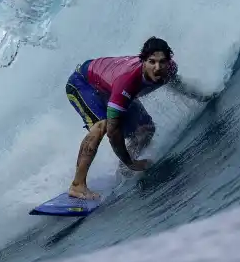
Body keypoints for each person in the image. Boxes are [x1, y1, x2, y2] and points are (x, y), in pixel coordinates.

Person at [64, 36, 213, 200]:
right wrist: (131, 163)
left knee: (145, 130)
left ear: (169, 61)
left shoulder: (169, 69)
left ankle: (124, 169)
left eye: (162, 62)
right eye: (152, 62)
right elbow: (113, 132)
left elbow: (177, 84)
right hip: (83, 83)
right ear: (143, 61)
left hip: (109, 86)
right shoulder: (127, 82)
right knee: (102, 125)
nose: (157, 68)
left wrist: (201, 97)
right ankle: (77, 185)